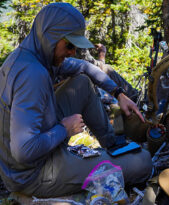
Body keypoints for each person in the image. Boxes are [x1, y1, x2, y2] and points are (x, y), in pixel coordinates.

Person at [0, 2, 152, 197]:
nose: (73, 52)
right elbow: (23, 150)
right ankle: (110, 158)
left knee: (81, 83)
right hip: (35, 174)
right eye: (69, 45)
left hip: (32, 156)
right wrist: (64, 129)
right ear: (50, 37)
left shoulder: (32, 57)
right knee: (143, 161)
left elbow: (85, 68)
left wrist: (118, 94)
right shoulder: (33, 75)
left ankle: (111, 144)